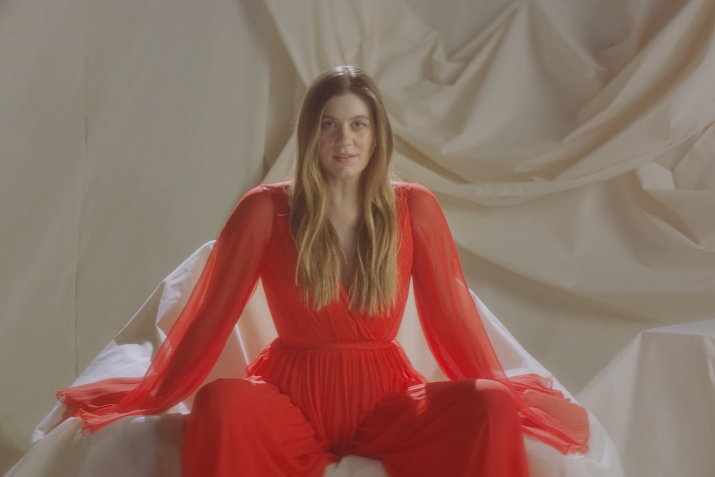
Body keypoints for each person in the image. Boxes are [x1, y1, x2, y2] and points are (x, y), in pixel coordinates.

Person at [56, 66, 589, 477]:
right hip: (290, 401)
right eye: (329, 125)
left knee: (488, 404)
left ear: (377, 135)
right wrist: (152, 391)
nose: (344, 140)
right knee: (221, 402)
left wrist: (504, 390)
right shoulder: (265, 209)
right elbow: (210, 314)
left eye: (358, 125)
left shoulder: (414, 209)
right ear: (310, 134)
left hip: (387, 406)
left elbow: (452, 317)